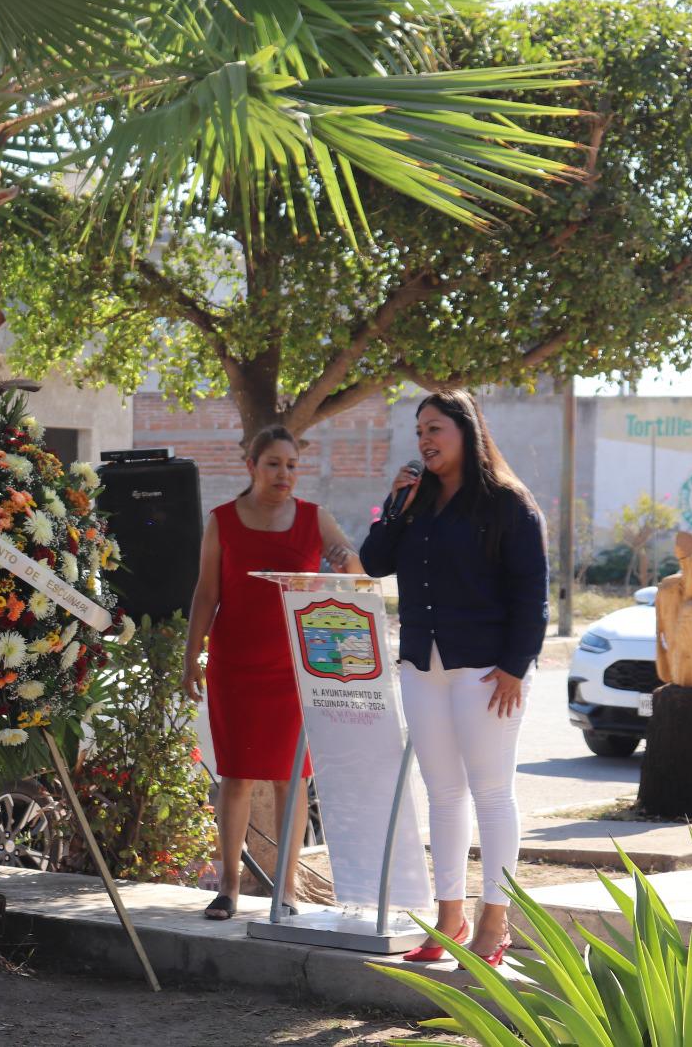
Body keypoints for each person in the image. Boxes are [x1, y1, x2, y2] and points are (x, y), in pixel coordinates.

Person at [360, 389, 546, 966]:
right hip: (424, 666)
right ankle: (449, 918)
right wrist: (395, 505)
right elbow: (374, 563)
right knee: (442, 794)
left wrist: (516, 667)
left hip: (489, 671)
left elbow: (532, 594)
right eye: (419, 431)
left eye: (435, 428)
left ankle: (495, 919)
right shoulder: (415, 502)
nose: (424, 440)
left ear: (466, 431)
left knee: (491, 793)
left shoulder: (509, 504)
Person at [183, 424, 364, 919]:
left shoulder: (314, 517)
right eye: (273, 464)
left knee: (291, 777)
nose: (284, 474)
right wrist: (191, 655)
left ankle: (287, 890)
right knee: (237, 776)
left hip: (295, 668)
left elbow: (356, 578)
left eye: (292, 465)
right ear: (251, 466)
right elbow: (206, 592)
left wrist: (345, 559)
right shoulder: (222, 520)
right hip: (235, 664)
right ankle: (229, 887)